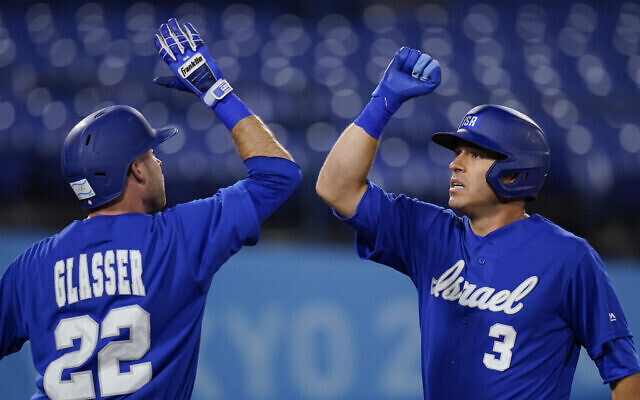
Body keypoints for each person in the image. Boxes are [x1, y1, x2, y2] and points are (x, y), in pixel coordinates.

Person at [0, 18, 300, 399]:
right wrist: (215, 91)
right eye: (151, 154)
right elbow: (279, 175)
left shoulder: (33, 266)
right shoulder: (177, 239)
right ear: (136, 171)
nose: (159, 163)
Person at [316, 46, 640, 399]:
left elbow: (626, 373)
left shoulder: (568, 257)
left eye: (475, 154)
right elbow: (336, 187)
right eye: (457, 152)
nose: (455, 164)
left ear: (515, 173)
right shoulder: (429, 233)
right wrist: (384, 99)